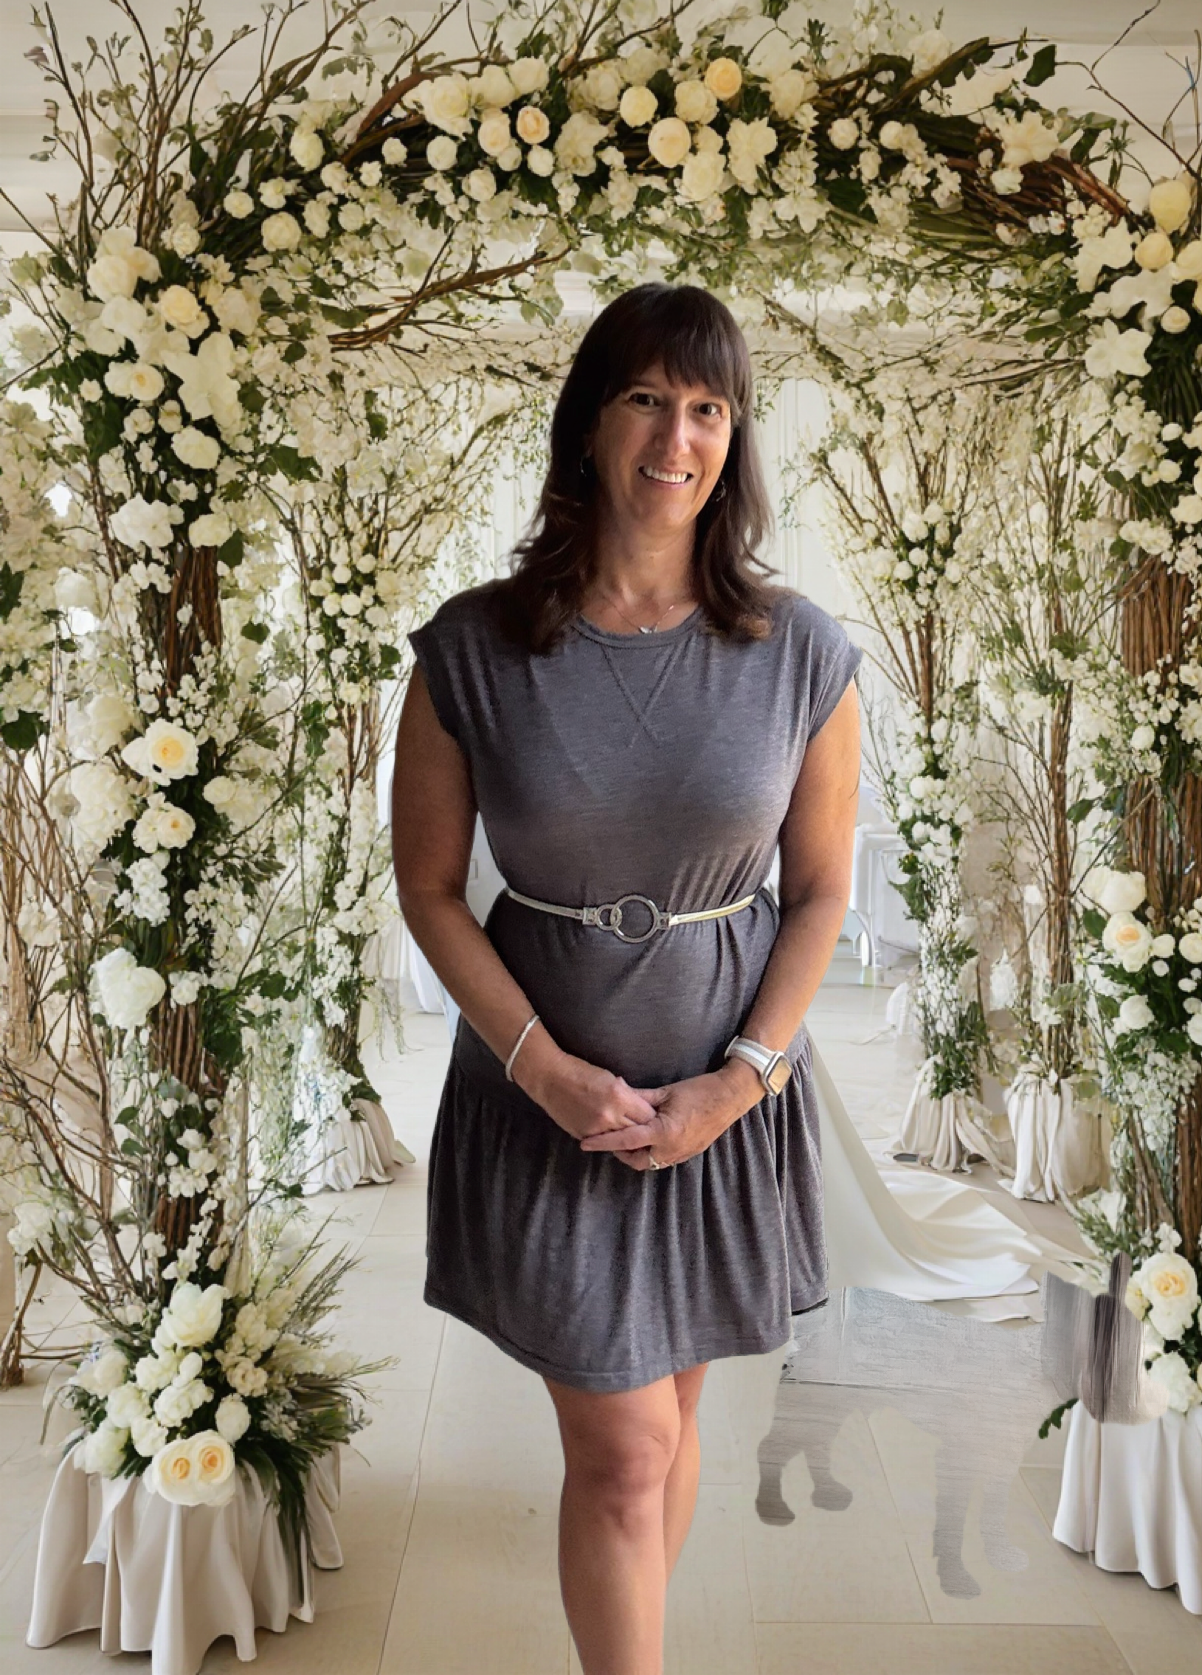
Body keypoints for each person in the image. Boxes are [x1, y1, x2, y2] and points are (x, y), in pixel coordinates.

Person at [391, 282, 861, 1675]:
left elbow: (823, 889)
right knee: (623, 1443)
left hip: (721, 1104)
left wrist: (740, 1081)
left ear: (735, 437)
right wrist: (537, 1067)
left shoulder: (802, 653)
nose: (679, 435)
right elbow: (426, 888)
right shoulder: (473, 648)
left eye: (709, 406)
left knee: (669, 1430)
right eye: (648, 398)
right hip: (548, 1106)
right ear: (590, 422)